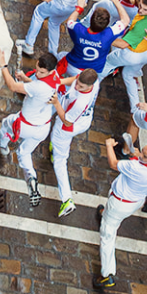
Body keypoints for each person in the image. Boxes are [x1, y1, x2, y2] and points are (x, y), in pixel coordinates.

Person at [94, 137, 147, 291]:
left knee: (107, 235)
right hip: (135, 200)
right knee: (111, 217)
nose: (141, 156)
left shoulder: (137, 168)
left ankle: (107, 274)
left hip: (120, 203)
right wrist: (138, 155)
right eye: (143, 152)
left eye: (145, 156)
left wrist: (108, 146)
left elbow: (114, 164)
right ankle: (106, 215)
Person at [0, 48, 63, 206]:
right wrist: (26, 78)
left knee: (6, 125)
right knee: (24, 153)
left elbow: (12, 86)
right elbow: (38, 88)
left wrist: (3, 65)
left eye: (41, 72)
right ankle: (31, 178)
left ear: (50, 71)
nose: (37, 74)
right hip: (43, 127)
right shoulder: (55, 78)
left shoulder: (38, 87)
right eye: (37, 69)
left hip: (25, 124)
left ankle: (3, 146)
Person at [49, 68, 100, 217]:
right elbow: (75, 78)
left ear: (90, 86)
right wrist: (58, 82)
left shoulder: (80, 102)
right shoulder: (93, 82)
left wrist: (57, 103)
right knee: (56, 142)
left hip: (67, 126)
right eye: (77, 83)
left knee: (60, 160)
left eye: (81, 87)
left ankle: (66, 199)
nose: (77, 87)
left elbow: (66, 120)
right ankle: (56, 148)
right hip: (84, 121)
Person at [61, 0, 128, 77]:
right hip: (92, 72)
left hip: (73, 66)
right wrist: (116, 1)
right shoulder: (109, 34)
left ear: (91, 20)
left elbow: (70, 21)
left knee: (60, 55)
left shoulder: (79, 30)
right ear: (107, 24)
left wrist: (79, 8)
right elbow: (125, 20)